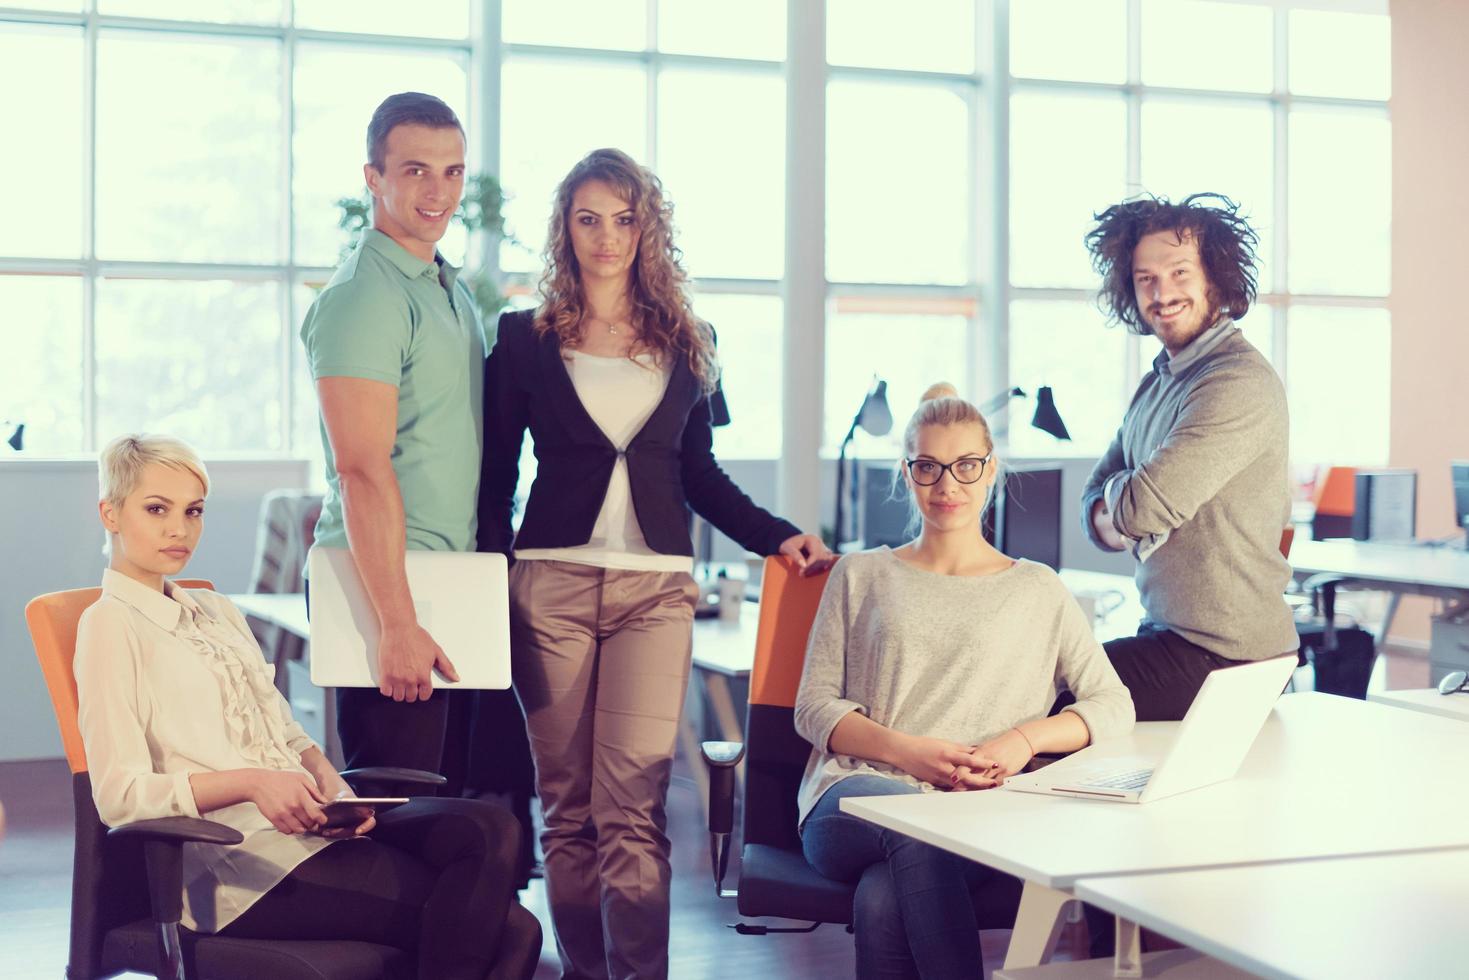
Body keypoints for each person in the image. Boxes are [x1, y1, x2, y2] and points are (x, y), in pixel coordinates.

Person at [478, 147, 831, 980]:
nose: (607, 237)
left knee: (631, 807)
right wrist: (491, 581)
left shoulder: (688, 338)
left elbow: (696, 472)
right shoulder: (522, 340)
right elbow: (496, 479)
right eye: (589, 218)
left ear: (649, 228)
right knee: (568, 810)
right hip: (549, 586)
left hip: (655, 594)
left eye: (625, 218)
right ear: (566, 229)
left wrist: (775, 533)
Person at [74, 434, 539, 978]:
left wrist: (335, 789)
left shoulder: (216, 611)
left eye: (193, 511)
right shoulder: (109, 625)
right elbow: (120, 797)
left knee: (490, 828)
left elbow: (287, 734)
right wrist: (251, 783)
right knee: (513, 930)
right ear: (109, 512)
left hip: (307, 833)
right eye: (157, 509)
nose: (179, 529)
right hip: (236, 865)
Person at [794, 384, 1135, 980]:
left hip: (981, 812)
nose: (947, 484)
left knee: (882, 897)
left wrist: (1023, 741)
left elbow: (1113, 704)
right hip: (853, 798)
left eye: (965, 466)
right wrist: (911, 754)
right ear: (908, 473)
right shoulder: (860, 574)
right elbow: (814, 708)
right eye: (928, 467)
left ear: (989, 471)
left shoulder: (1037, 588)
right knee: (918, 831)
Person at [299, 91, 482, 774]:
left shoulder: (444, 287)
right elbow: (360, 468)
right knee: (398, 809)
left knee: (447, 813)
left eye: (453, 171)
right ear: (372, 177)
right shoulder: (363, 296)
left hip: (444, 576)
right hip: (383, 584)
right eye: (414, 170)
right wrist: (397, 624)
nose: (438, 191)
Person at [1080, 193, 1297, 722]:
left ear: (1214, 278)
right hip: (1168, 635)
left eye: (1179, 272)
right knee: (1048, 676)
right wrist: (1125, 499)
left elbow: (1137, 511)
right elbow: (1095, 506)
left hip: (1231, 657)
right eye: (1145, 278)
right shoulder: (1159, 381)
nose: (1163, 292)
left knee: (1051, 693)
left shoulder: (1236, 381)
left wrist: (1129, 504)